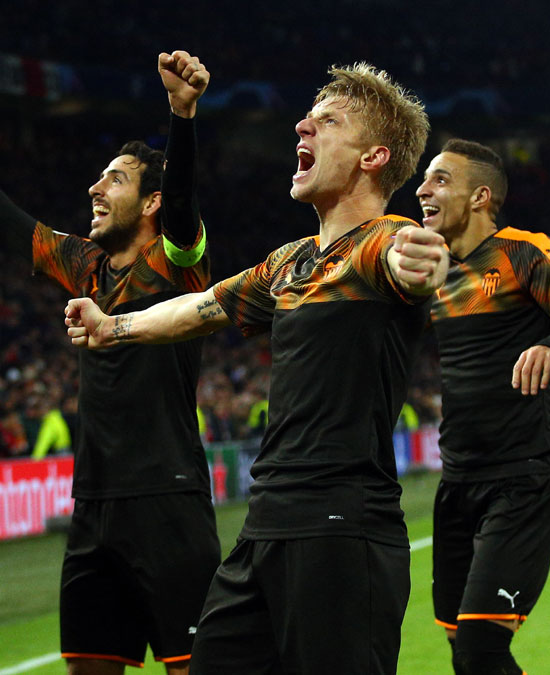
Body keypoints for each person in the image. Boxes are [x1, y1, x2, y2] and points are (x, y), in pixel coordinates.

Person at [65, 63, 445, 675]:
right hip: (265, 524)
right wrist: (112, 327)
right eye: (308, 118)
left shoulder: (385, 240)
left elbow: (410, 264)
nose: (302, 127)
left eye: (328, 122)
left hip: (341, 527)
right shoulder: (290, 263)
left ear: (373, 157)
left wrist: (423, 266)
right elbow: (199, 308)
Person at [0, 50, 218, 674]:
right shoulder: (85, 266)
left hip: (167, 498)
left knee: (193, 665)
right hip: (92, 503)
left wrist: (182, 115)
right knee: (88, 665)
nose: (95, 188)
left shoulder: (178, 264)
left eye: (115, 180)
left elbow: (183, 199)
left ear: (151, 203)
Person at [415, 139, 550, 675]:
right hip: (457, 484)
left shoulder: (525, 253)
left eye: (439, 179)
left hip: (522, 481)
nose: (423, 189)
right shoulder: (430, 270)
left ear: (480, 197)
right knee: (464, 652)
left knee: (480, 647)